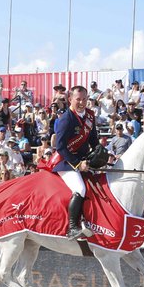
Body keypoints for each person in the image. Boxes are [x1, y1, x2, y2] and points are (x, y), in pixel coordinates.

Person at [53, 85, 105, 238]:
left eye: (84, 99)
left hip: (83, 160)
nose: (81, 102)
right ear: (70, 99)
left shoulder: (89, 115)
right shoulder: (65, 119)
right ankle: (72, 227)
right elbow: (60, 147)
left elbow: (94, 139)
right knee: (80, 189)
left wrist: (101, 153)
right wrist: (77, 163)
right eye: (78, 99)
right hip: (66, 162)